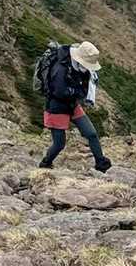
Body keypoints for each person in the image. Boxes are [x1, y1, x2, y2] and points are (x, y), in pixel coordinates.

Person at [39, 40, 112, 172]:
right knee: (59, 144)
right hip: (56, 107)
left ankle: (101, 163)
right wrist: (76, 92)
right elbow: (59, 92)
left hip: (72, 104)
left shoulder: (82, 70)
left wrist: (75, 92)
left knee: (91, 134)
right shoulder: (61, 69)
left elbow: (81, 91)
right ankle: (45, 163)